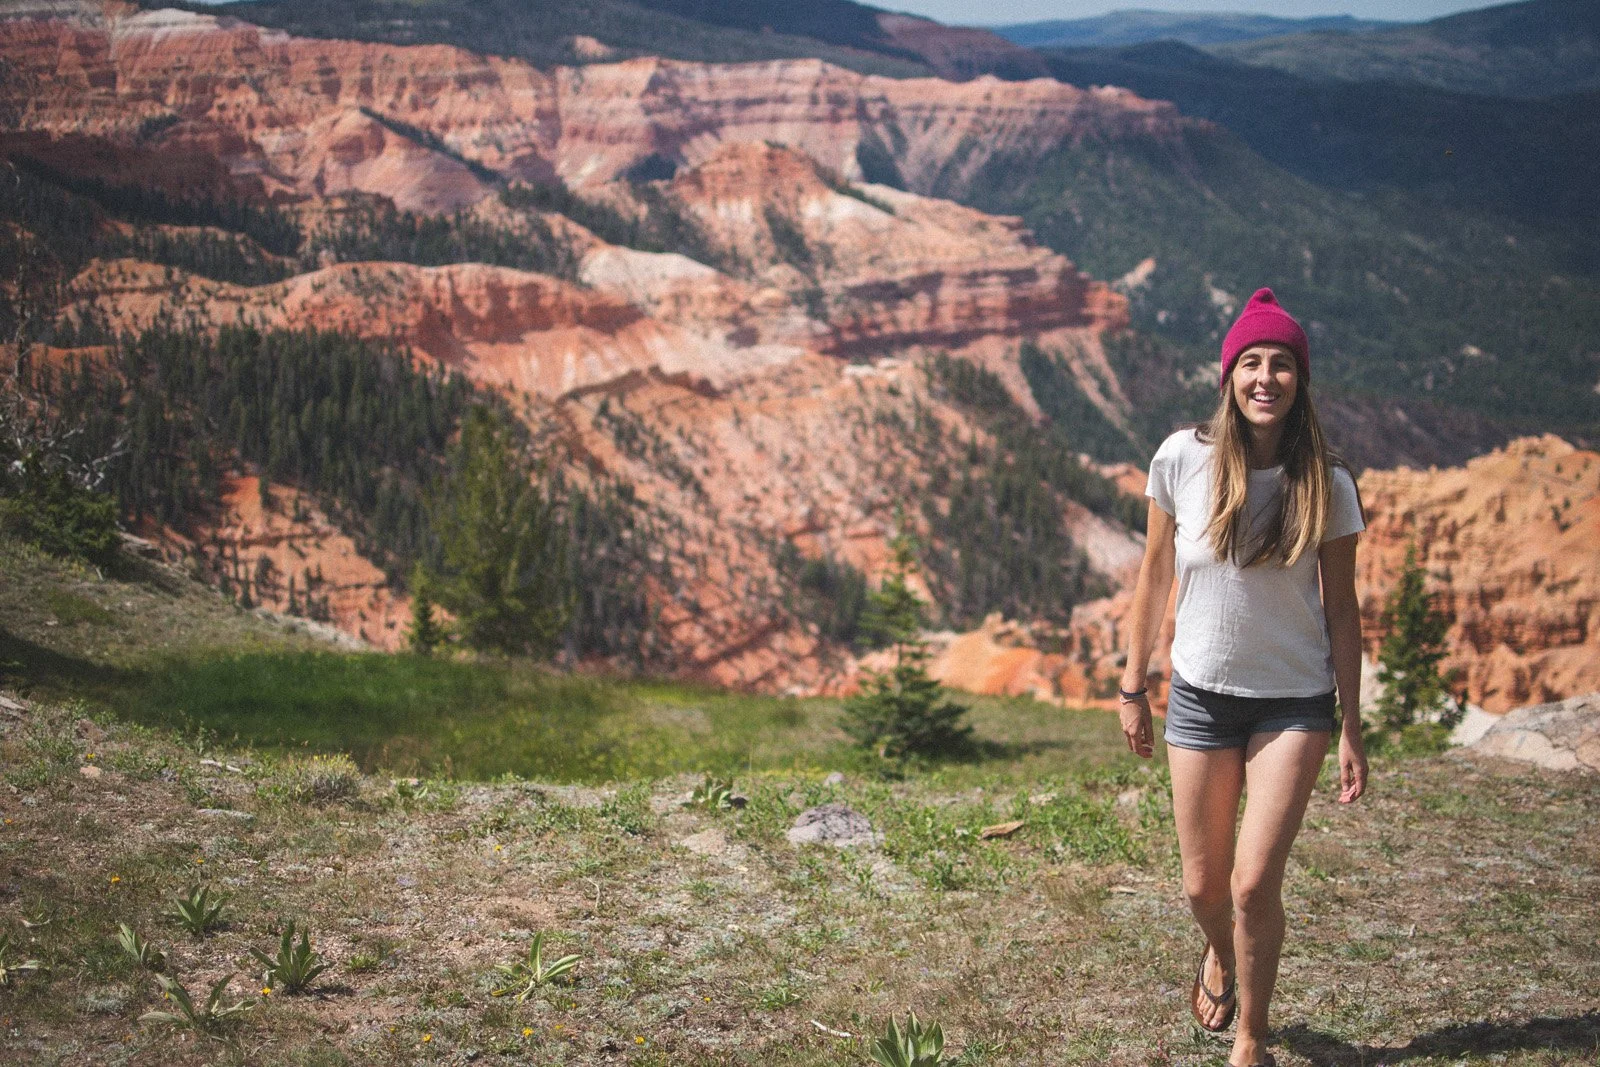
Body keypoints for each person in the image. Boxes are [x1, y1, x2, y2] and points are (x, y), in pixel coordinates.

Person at [1117, 288, 1369, 1067]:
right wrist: (1133, 684)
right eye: (1252, 362)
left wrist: (1353, 725)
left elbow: (1343, 612)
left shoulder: (1327, 481)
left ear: (1301, 379)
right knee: (1204, 888)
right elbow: (1154, 577)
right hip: (1197, 697)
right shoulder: (1181, 458)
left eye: (1283, 363)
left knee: (1255, 880)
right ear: (1229, 376)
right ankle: (1219, 951)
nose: (1267, 377)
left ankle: (1252, 1037)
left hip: (1293, 704)